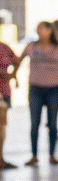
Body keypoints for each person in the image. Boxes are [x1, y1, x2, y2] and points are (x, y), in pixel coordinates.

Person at [12, 21, 58, 166]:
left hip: (54, 89)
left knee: (53, 124)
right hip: (35, 89)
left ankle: (51, 155)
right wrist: (14, 76)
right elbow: (18, 61)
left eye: (42, 29)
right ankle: (34, 155)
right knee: (34, 123)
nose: (39, 32)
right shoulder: (31, 46)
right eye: (37, 29)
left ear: (50, 31)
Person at [0, 39, 16, 169]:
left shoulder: (4, 47)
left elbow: (16, 60)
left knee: (2, 128)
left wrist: (12, 75)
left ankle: (0, 159)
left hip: (4, 93)